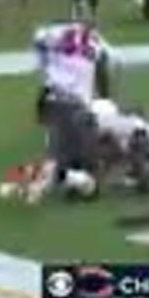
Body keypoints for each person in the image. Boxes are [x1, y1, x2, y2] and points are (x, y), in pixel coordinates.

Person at [24, 21, 115, 203]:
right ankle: (48, 180)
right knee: (65, 157)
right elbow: (102, 67)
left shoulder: (87, 39)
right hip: (69, 102)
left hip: (58, 100)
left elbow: (43, 59)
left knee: (61, 157)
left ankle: (45, 180)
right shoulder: (95, 44)